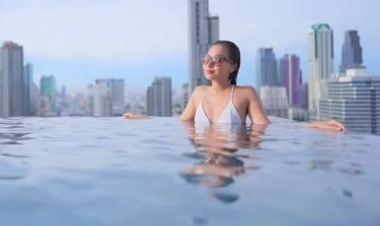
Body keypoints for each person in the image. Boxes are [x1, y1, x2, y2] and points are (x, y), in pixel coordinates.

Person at [124, 40, 345, 132]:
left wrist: (317, 125)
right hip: (205, 160)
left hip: (235, 159)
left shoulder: (245, 94)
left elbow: (267, 128)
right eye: (206, 58)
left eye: (218, 60)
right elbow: (178, 124)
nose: (209, 64)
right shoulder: (198, 93)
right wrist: (141, 120)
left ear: (233, 66)